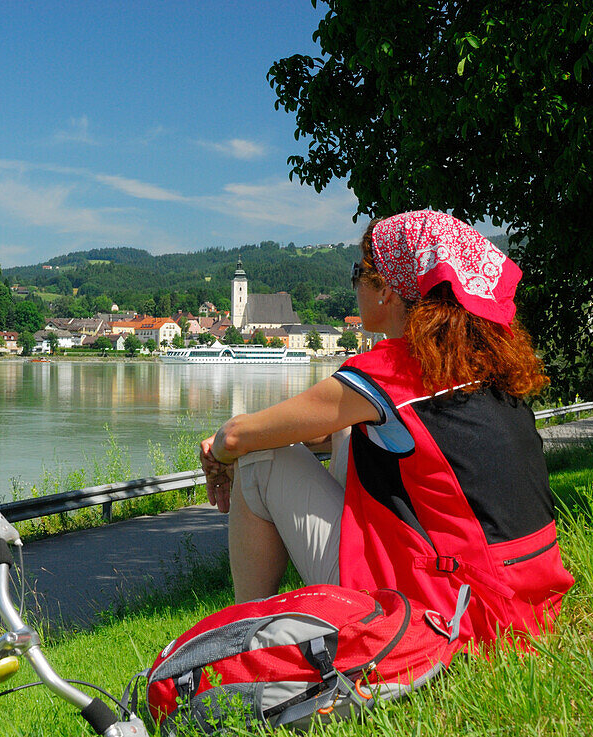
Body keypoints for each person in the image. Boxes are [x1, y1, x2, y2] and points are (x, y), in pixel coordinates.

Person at [200, 210, 573, 644]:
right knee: (343, 431)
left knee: (258, 457)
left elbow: (236, 437)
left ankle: (237, 642)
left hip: (450, 614)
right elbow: (324, 431)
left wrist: (220, 456)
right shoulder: (479, 366)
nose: (355, 284)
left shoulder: (388, 373)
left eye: (360, 273)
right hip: (524, 600)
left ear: (389, 290)